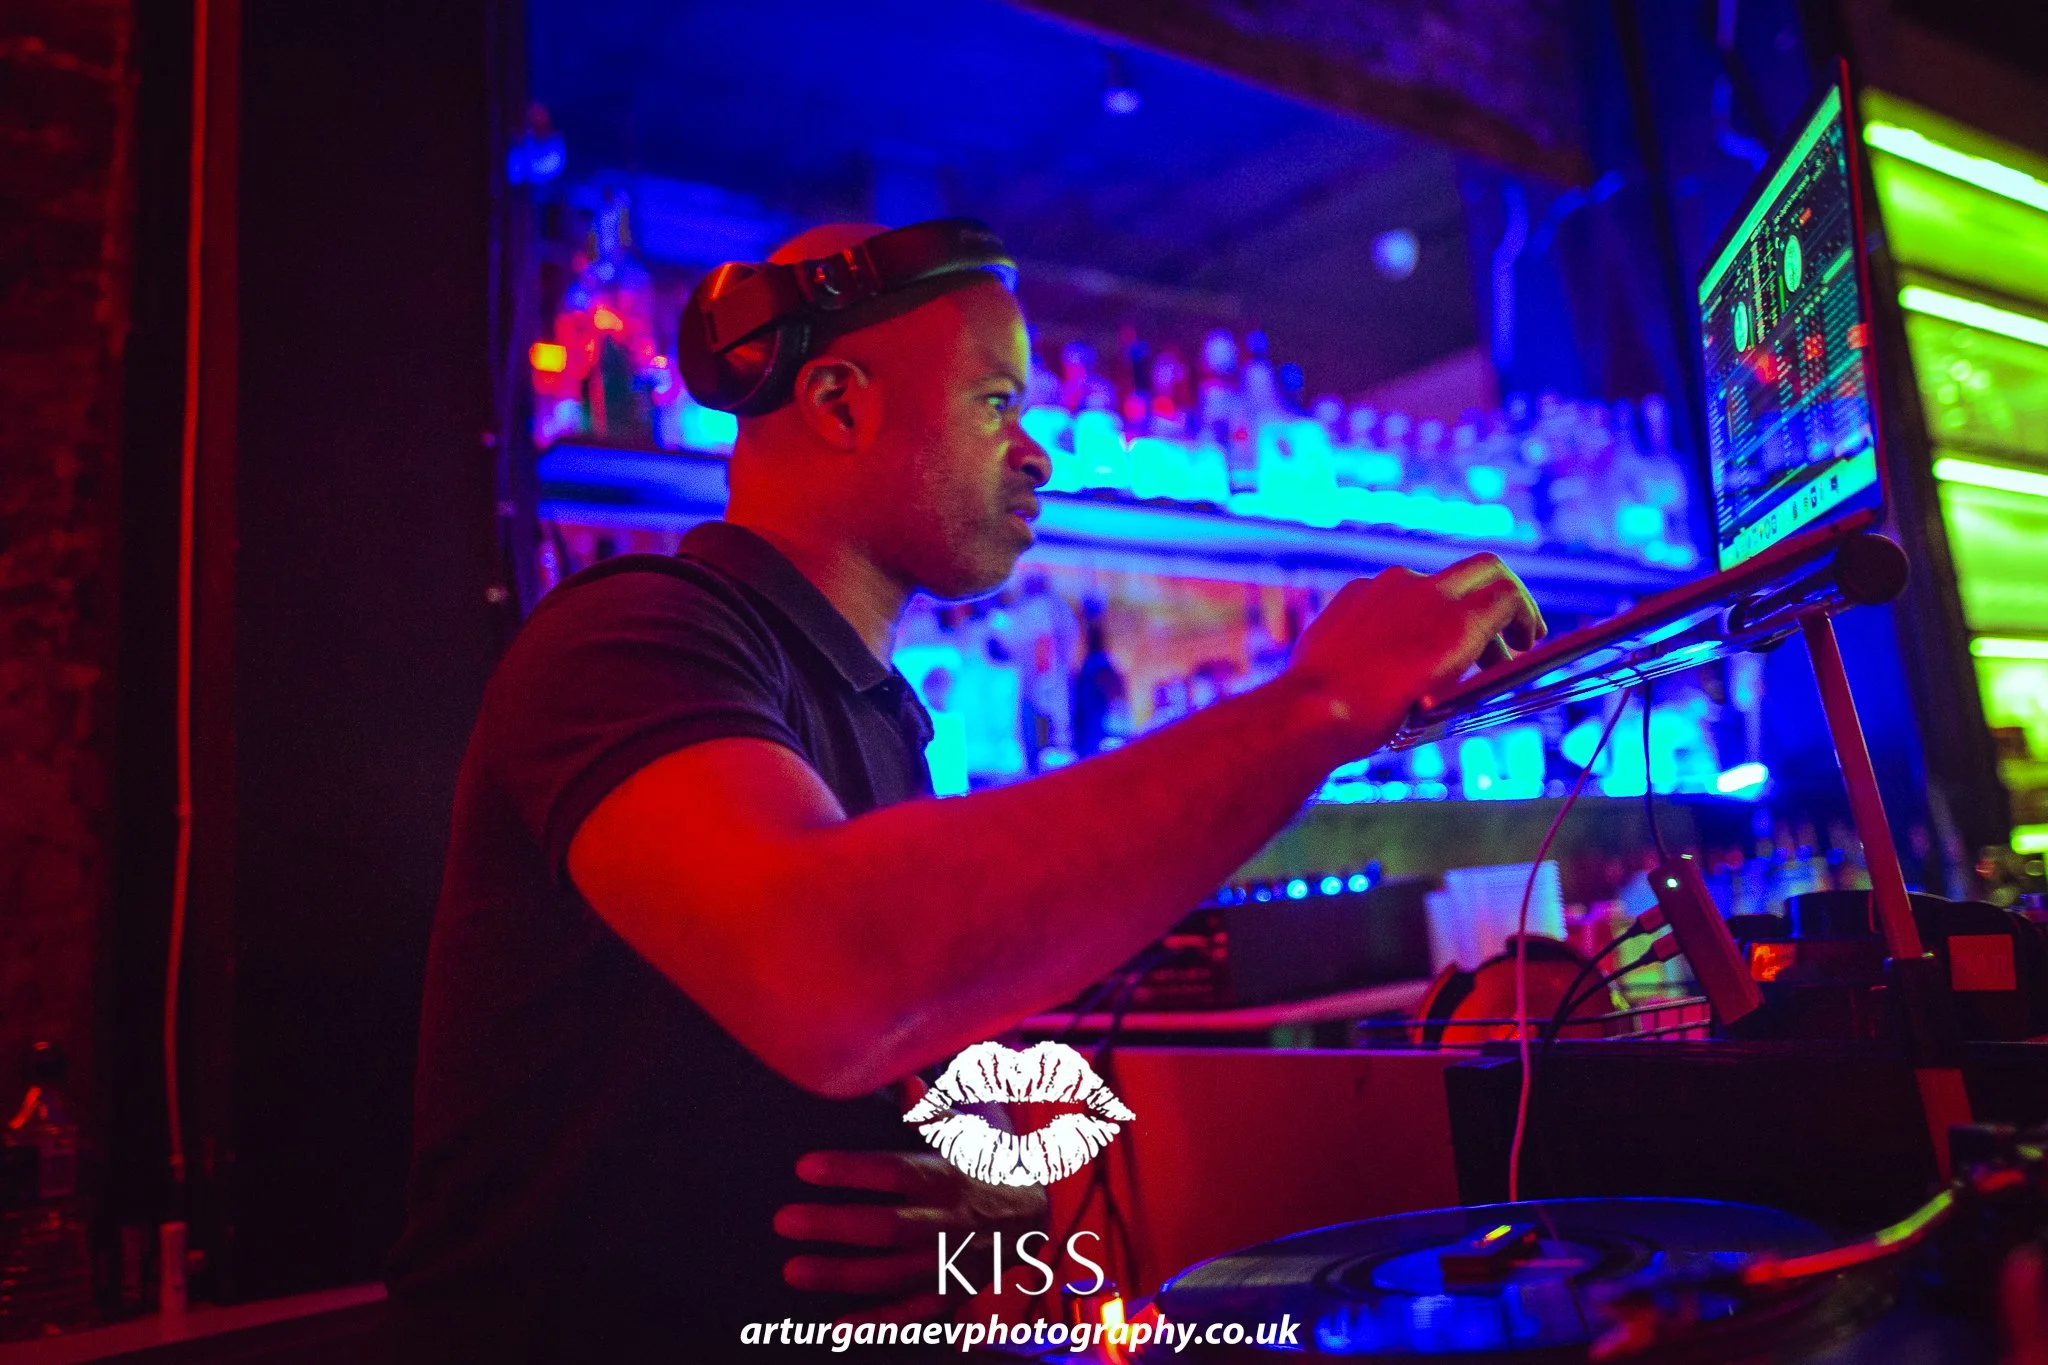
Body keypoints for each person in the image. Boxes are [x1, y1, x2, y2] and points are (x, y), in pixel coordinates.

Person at [384, 221, 1545, 1360]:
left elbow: (873, 1070)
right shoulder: (634, 634)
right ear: (838, 404)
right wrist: (1321, 705)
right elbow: (830, 974)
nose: (1036, 450)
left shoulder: (879, 716)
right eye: (997, 403)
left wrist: (995, 1200)